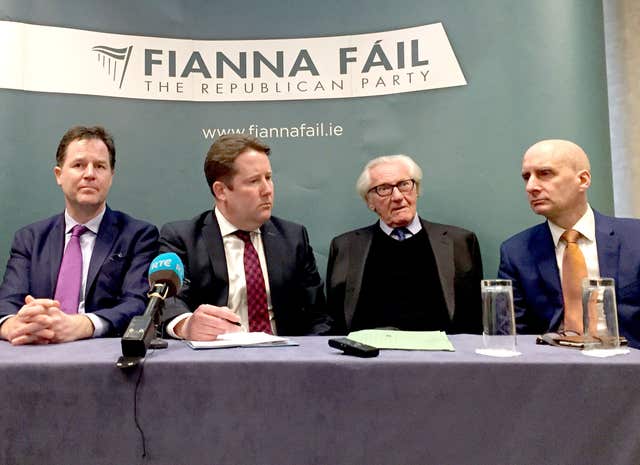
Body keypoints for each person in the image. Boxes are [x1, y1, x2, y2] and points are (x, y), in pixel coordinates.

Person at [159, 134, 331, 340]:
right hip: (213, 361)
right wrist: (186, 325)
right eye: (253, 181)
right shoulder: (183, 238)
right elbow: (168, 301)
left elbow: (318, 317)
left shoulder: (293, 238)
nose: (267, 190)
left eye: (268, 178)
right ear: (221, 191)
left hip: (284, 359)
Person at [0, 126, 159, 345]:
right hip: (34, 350)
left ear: (111, 176)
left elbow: (137, 303)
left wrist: (82, 324)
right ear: (59, 175)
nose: (90, 174)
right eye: (78, 165)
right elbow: (8, 302)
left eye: (100, 166)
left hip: (101, 357)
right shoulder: (30, 239)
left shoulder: (138, 235)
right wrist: (13, 326)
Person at [498, 139, 640, 347]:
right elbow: (511, 336)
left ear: (583, 180)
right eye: (526, 177)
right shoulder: (516, 252)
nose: (531, 187)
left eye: (545, 173)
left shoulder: (635, 238)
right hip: (553, 370)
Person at [326, 154, 483, 334]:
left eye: (404, 184)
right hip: (368, 358)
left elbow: (475, 317)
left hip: (441, 358)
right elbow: (333, 319)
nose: (398, 196)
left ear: (416, 190)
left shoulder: (460, 242)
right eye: (384, 189)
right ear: (370, 201)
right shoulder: (345, 247)